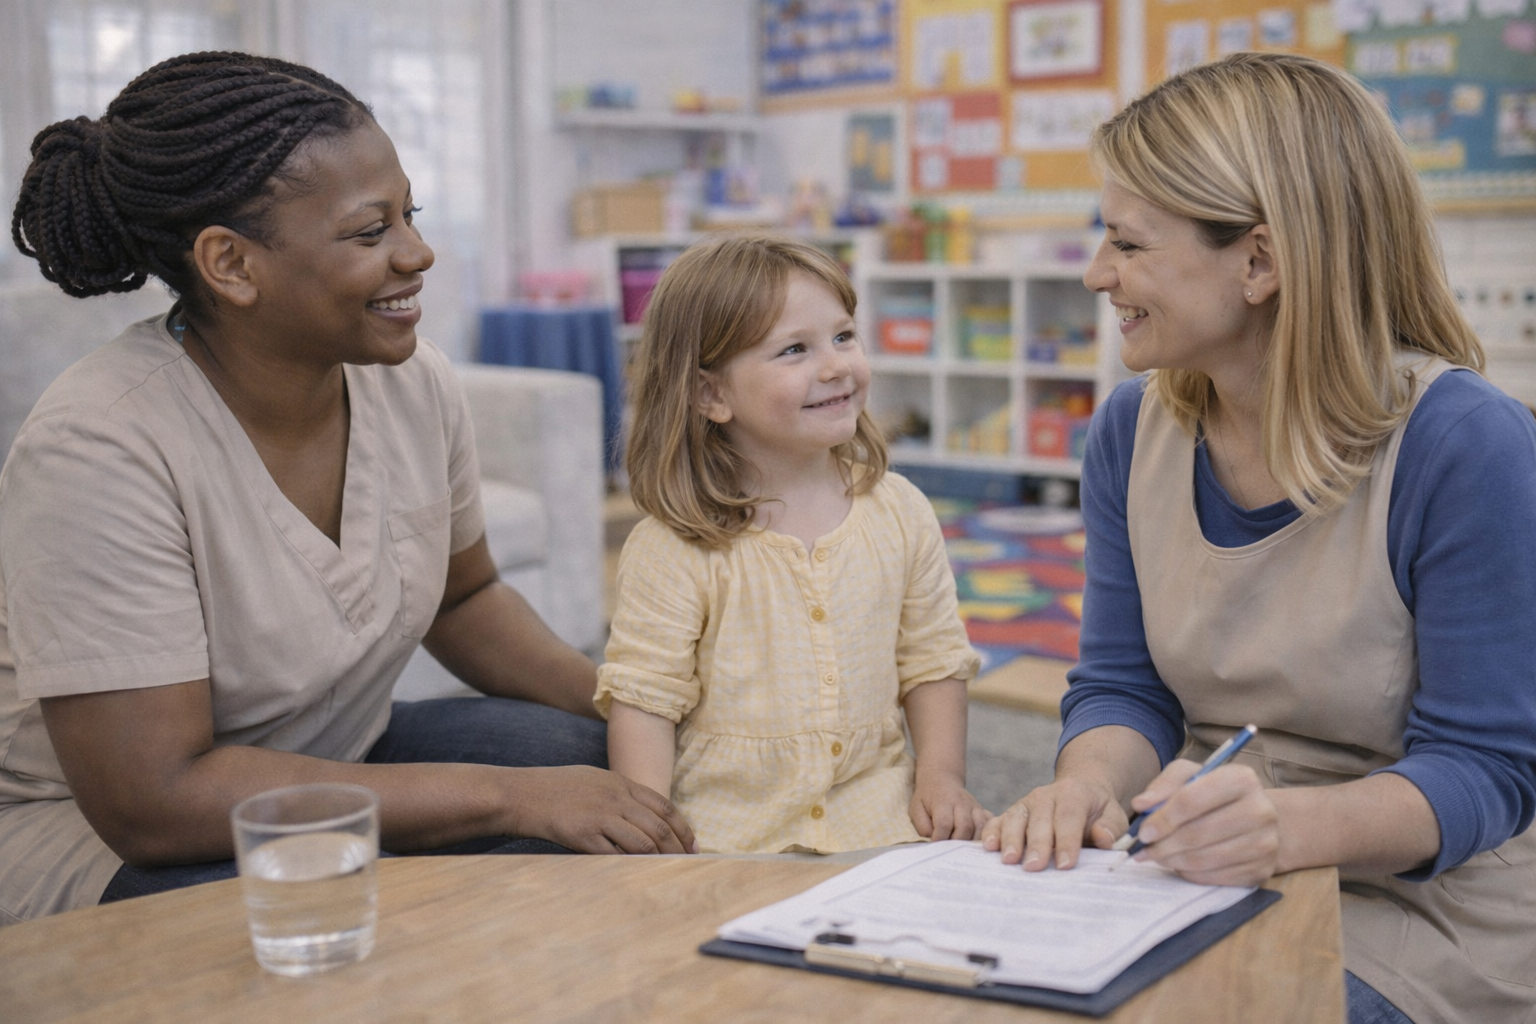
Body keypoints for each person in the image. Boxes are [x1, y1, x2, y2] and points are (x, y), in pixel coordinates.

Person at [0, 51, 694, 926]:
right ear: (231, 264)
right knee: (364, 913)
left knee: (609, 765)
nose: (419, 251)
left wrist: (638, 705)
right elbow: (155, 801)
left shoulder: (408, 381)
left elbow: (466, 595)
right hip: (102, 834)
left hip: (333, 753)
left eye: (412, 215)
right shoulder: (98, 448)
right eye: (372, 233)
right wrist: (509, 800)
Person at [980, 52, 1536, 1024]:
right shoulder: (1130, 428)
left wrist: (1281, 828)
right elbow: (1125, 684)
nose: (1096, 271)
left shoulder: (1466, 444)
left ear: (1260, 262)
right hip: (1198, 865)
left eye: (1128, 243)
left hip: (1427, 907)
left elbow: (1489, 770)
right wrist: (1083, 787)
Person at [596, 235, 989, 854]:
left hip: (878, 822)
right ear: (710, 395)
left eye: (844, 336)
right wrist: (652, 843)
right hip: (726, 838)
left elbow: (934, 662)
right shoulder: (672, 546)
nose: (834, 365)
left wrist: (941, 779)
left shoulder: (902, 512)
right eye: (795, 350)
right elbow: (645, 702)